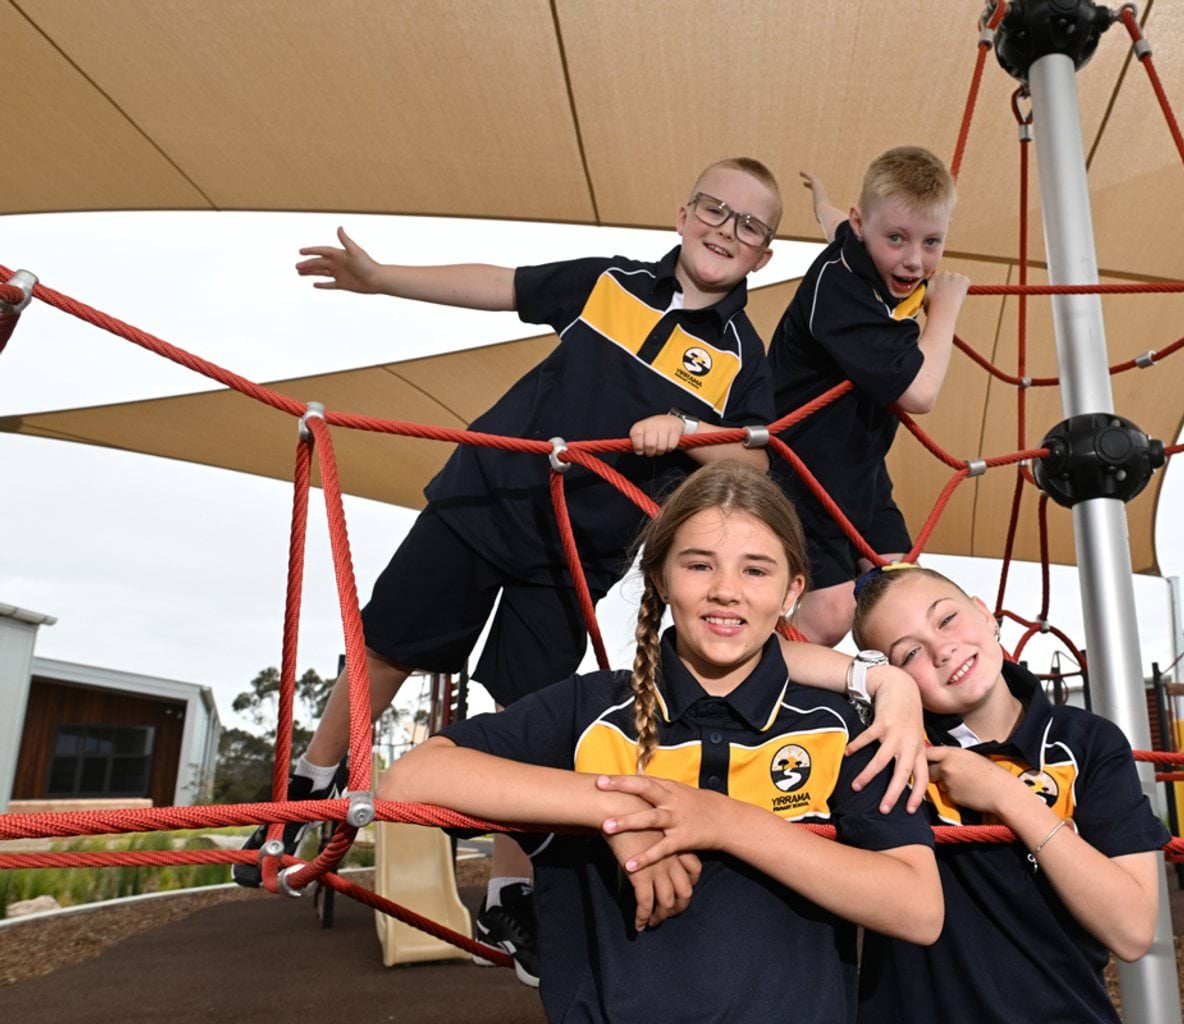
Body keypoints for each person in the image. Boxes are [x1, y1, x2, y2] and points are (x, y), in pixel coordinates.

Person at [235, 159, 786, 986]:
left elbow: (758, 456)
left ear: (764, 256)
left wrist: (688, 428)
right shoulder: (611, 282)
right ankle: (302, 797)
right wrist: (383, 278)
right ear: (684, 213)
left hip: (576, 546)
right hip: (486, 492)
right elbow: (505, 285)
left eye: (750, 226)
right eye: (716, 209)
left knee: (533, 711)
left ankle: (510, 888)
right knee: (387, 645)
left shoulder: (744, 354)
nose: (726, 230)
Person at [378, 462, 942, 1022]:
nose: (726, 591)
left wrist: (721, 821)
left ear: (793, 590)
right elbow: (410, 779)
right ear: (660, 578)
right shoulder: (592, 712)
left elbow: (917, 909)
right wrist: (621, 812)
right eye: (699, 565)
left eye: (756, 571)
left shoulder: (837, 724)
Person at [849, 564, 1169, 1024]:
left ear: (985, 613)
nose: (942, 649)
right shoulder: (886, 751)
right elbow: (778, 658)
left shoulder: (1088, 743)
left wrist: (1005, 795)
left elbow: (1133, 929)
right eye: (910, 654)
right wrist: (880, 687)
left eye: (945, 619)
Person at [768, 146, 971, 646]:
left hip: (859, 469)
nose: (914, 260)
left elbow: (833, 222)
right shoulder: (840, 291)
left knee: (904, 589)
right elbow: (919, 393)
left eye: (931, 242)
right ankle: (746, 691)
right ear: (863, 225)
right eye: (896, 239)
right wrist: (943, 310)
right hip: (800, 471)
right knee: (834, 611)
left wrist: (822, 202)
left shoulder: (856, 241)